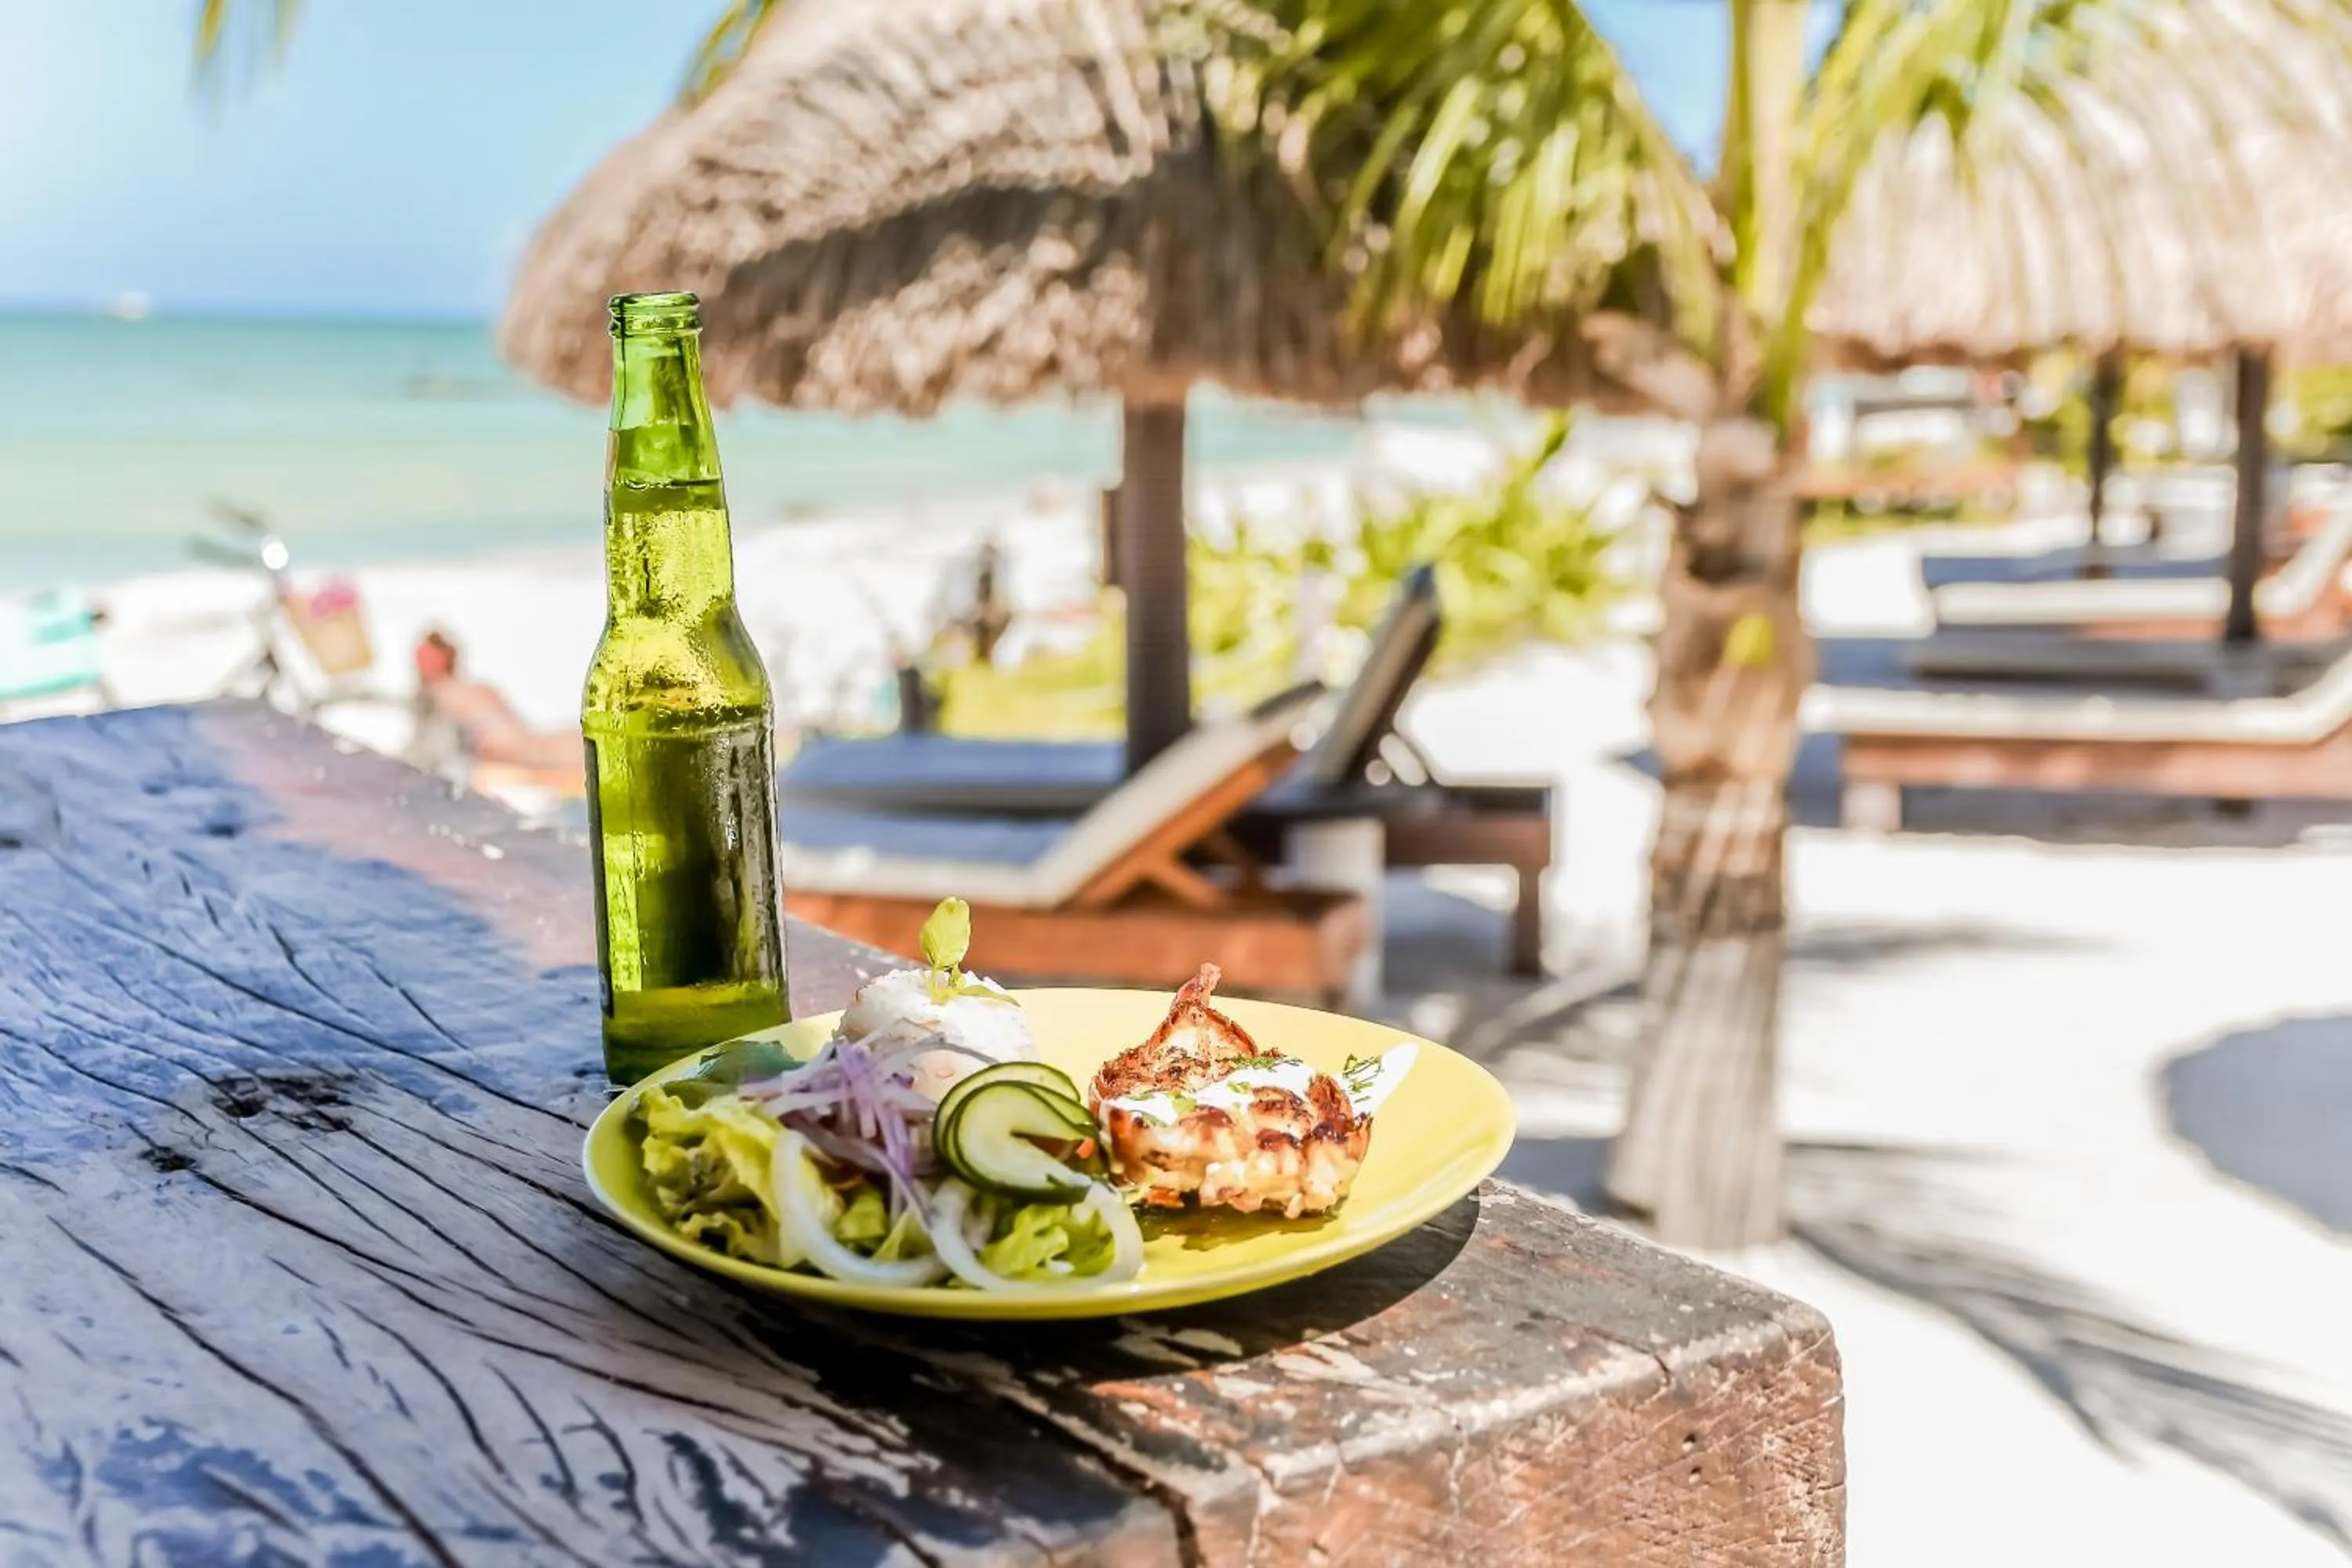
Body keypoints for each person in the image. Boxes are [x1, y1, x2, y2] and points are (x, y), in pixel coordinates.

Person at [408, 630, 583, 778]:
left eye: (427, 657)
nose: (420, 663)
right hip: (513, 750)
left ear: (446, 657)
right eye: (420, 657)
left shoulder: (454, 691)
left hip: (514, 749)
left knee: (561, 747)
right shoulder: (461, 691)